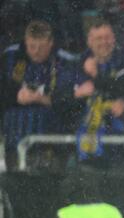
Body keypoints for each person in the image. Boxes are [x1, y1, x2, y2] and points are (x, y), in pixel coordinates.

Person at [0, 20, 79, 167]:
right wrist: (15, 96)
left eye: (41, 47)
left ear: (51, 43)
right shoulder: (9, 56)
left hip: (51, 137)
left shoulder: (66, 61)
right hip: (13, 136)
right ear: (25, 41)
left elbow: (73, 99)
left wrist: (45, 99)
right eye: (32, 46)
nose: (36, 51)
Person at [74, 18, 124, 166]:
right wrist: (75, 95)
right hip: (82, 142)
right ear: (89, 41)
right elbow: (61, 98)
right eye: (98, 38)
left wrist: (96, 77)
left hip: (117, 142)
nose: (103, 42)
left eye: (107, 37)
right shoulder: (76, 64)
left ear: (114, 39)